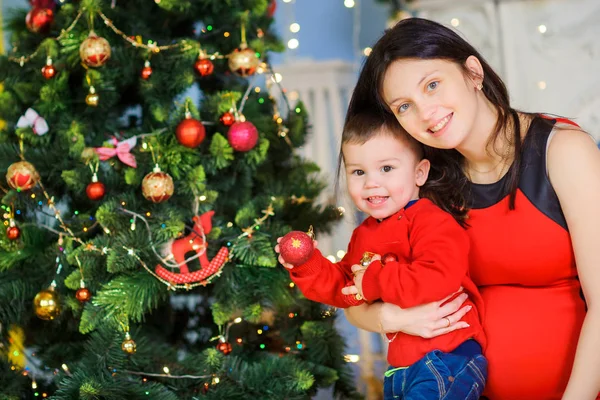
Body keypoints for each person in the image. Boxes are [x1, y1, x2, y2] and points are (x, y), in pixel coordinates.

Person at [342, 17, 600, 400]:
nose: (426, 113)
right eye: (404, 106)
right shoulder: (420, 181)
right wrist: (393, 318)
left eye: (432, 85)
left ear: (472, 72)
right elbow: (354, 294)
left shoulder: (562, 151)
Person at [276, 112, 487, 399]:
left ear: (419, 173)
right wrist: (308, 263)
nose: (371, 183)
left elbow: (438, 278)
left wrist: (373, 281)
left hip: (448, 357)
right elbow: (346, 288)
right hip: (401, 367)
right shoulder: (364, 234)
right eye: (358, 172)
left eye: (386, 168)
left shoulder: (432, 221)